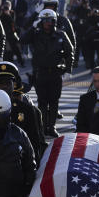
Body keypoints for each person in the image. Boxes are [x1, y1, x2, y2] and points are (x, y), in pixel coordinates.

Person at [20, 8, 74, 137]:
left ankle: (52, 126)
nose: (47, 23)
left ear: (54, 21)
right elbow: (22, 40)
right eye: (45, 21)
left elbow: (69, 52)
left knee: (54, 101)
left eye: (50, 20)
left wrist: (68, 69)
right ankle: (44, 127)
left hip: (56, 72)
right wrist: (33, 27)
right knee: (42, 101)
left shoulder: (61, 35)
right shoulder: (36, 34)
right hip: (40, 73)